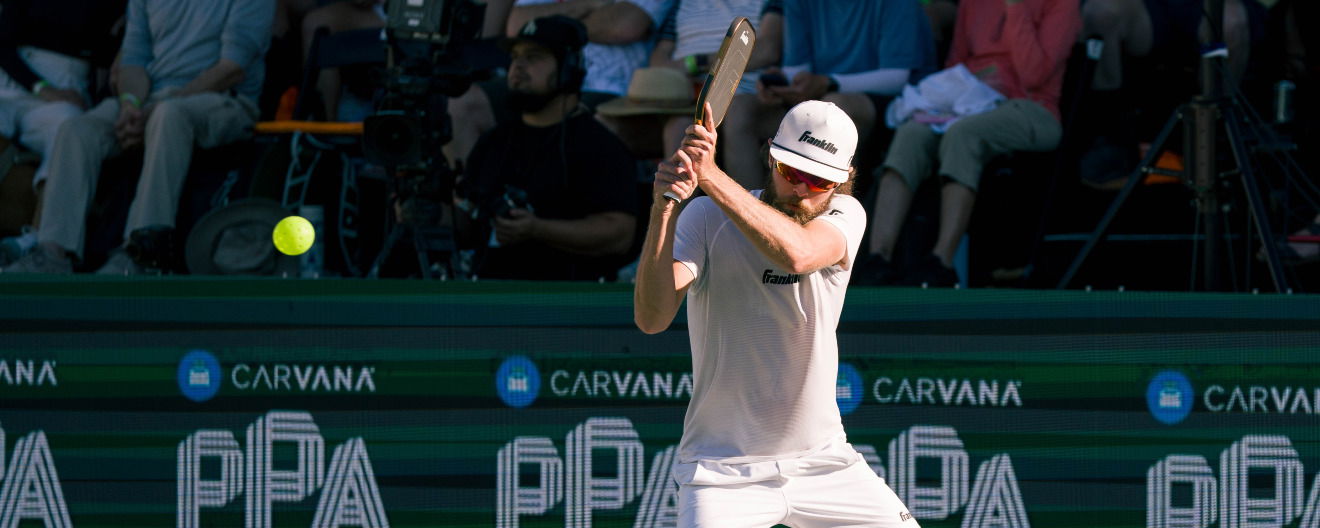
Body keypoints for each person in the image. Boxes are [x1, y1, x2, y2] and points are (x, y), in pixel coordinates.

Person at [634, 100, 915, 527]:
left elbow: (798, 255)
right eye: (791, 172)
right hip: (720, 471)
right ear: (770, 156)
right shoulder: (707, 217)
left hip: (824, 463)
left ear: (843, 181)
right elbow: (652, 318)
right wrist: (663, 210)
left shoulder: (847, 215)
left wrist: (709, 176)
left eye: (818, 181)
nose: (801, 189)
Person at [2, 0, 274, 275]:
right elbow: (134, 59)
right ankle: (53, 253)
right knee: (76, 130)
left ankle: (142, 252)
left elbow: (232, 68)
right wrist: (131, 104)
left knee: (168, 116)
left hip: (225, 102)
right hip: (151, 99)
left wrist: (159, 106)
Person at [858, 0, 1080, 287]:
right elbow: (955, 66)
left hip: (1031, 108)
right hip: (968, 103)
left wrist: (1016, 8)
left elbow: (1033, 75)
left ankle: (941, 261)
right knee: (911, 133)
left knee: (964, 134)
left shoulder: (1063, 5)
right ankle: (878, 259)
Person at [454, 15, 638, 282]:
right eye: (515, 57)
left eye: (534, 57)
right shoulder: (493, 142)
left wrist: (537, 229)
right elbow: (467, 231)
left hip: (566, 303)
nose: (517, 66)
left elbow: (619, 233)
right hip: (489, 295)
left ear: (569, 68)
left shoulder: (600, 146)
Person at [721, 0, 937, 190]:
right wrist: (783, 82)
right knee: (741, 110)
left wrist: (829, 83)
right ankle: (751, 219)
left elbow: (897, 77)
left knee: (834, 109)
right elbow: (798, 68)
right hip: (818, 99)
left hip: (890, 107)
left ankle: (827, 224)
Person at [443, 0, 673, 171]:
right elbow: (518, 25)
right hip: (538, 75)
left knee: (581, 124)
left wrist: (553, 21)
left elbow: (623, 25)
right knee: (459, 105)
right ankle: (467, 212)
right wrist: (590, 4)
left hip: (610, 93)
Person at [0, 0, 126, 258]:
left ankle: (37, 237)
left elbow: (113, 51)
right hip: (13, 83)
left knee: (69, 130)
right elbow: (3, 45)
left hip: (67, 90)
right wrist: (43, 88)